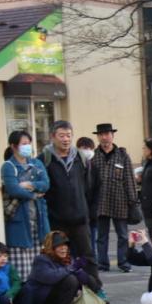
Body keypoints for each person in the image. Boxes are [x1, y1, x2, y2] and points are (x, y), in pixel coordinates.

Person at [40, 121, 100, 284]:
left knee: (88, 256)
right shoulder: (44, 160)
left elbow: (91, 187)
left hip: (80, 218)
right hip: (56, 220)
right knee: (58, 256)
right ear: (53, 137)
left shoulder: (81, 158)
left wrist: (89, 211)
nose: (66, 139)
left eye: (68, 135)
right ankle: (65, 290)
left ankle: (96, 288)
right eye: (61, 136)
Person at [17, 231, 102, 304]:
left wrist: (84, 276)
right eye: (59, 246)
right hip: (42, 300)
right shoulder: (41, 260)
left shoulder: (67, 260)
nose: (64, 248)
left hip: (59, 297)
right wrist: (71, 268)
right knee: (70, 280)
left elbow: (85, 278)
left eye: (65, 245)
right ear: (51, 247)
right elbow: (50, 277)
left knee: (78, 280)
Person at [1, 130, 51, 281]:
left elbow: (46, 184)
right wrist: (34, 194)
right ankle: (23, 303)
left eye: (29, 143)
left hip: (39, 221)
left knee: (39, 268)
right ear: (13, 146)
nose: (27, 147)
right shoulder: (8, 166)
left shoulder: (36, 163)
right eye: (24, 144)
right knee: (22, 273)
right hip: (19, 224)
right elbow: (13, 189)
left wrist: (29, 184)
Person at [88, 123, 137, 273]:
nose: (104, 137)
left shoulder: (122, 155)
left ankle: (123, 262)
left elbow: (129, 178)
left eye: (107, 134)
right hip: (100, 201)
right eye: (101, 134)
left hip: (119, 200)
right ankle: (103, 263)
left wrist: (132, 200)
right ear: (97, 137)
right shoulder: (93, 156)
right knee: (101, 236)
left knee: (122, 234)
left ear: (112, 135)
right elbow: (88, 180)